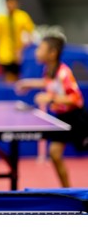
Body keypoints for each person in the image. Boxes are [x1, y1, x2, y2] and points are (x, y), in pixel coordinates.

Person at [15, 35, 88, 187]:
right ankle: (68, 191)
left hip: (76, 118)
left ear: (52, 53)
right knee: (55, 153)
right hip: (62, 117)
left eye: (40, 48)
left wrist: (51, 98)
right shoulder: (49, 70)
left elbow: (76, 99)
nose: (36, 52)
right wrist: (28, 83)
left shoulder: (64, 73)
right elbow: (47, 83)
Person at [0, 0, 35, 82]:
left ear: (17, 4)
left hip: (17, 56)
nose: (10, 5)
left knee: (16, 79)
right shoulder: (0, 19)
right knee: (7, 79)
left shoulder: (23, 17)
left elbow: (31, 36)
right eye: (8, 3)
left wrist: (22, 49)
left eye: (12, 3)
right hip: (4, 55)